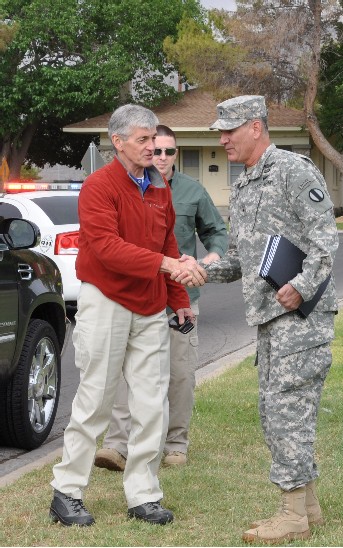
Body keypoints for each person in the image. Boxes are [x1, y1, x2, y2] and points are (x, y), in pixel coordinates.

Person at [176, 95, 338, 544]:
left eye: (229, 130)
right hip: (270, 319)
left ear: (256, 127)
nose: (222, 139)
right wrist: (202, 269)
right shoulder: (246, 182)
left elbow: (326, 242)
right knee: (277, 412)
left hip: (300, 318)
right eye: (220, 131)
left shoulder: (293, 171)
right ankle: (309, 506)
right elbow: (244, 260)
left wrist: (301, 286)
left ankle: (292, 515)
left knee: (288, 412)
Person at [49, 104, 205, 527]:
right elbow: (105, 247)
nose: (152, 146)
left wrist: (179, 300)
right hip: (107, 299)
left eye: (154, 138)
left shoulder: (159, 187)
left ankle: (144, 494)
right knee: (96, 399)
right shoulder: (99, 186)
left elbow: (168, 242)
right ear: (117, 143)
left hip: (151, 304)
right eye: (143, 139)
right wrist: (167, 267)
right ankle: (66, 492)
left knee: (151, 403)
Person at [94, 124, 228, 471]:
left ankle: (175, 444)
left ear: (176, 153)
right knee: (131, 373)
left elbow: (216, 232)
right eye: (156, 148)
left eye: (169, 151)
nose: (162, 156)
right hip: (137, 293)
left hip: (180, 295)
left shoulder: (191, 191)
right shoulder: (129, 187)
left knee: (180, 372)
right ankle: (117, 445)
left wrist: (213, 255)